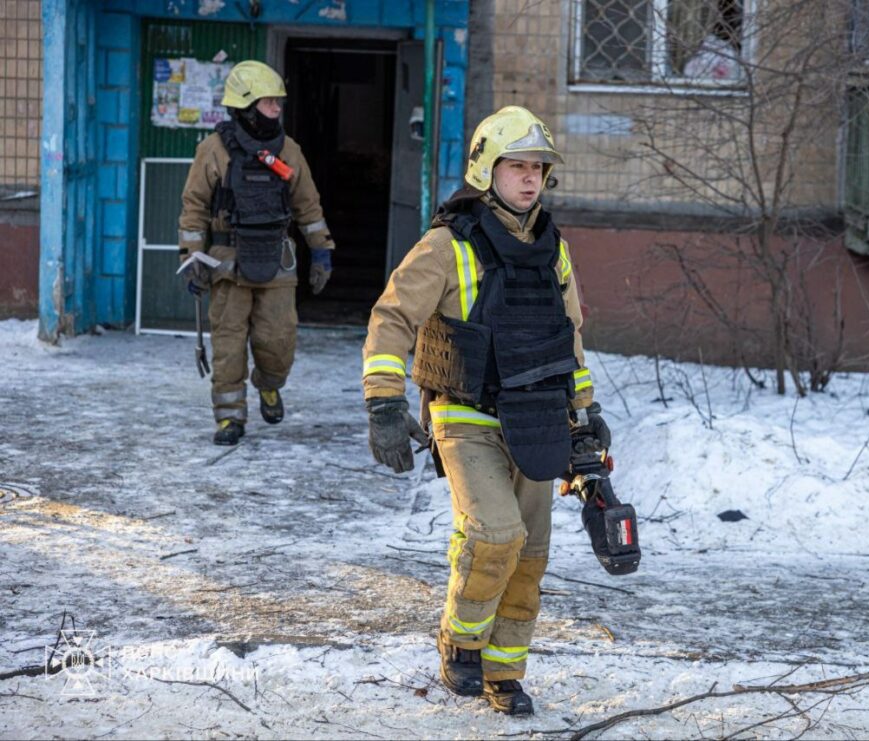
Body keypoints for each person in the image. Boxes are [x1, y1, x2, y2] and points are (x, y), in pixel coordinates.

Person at [360, 106, 610, 715]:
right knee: (496, 532)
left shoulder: (553, 250)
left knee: (531, 553)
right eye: (517, 165)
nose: (529, 178)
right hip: (466, 413)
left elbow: (569, 338)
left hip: (539, 417)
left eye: (538, 168)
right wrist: (384, 401)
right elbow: (392, 317)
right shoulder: (447, 245)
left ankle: (505, 673)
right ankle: (461, 641)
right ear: (485, 169)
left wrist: (584, 413)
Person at [178, 61, 336, 445]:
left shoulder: (289, 151)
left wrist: (321, 250)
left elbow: (308, 206)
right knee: (228, 346)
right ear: (246, 107)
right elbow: (194, 207)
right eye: (269, 102)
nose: (276, 108)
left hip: (277, 260)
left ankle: (269, 384)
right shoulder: (213, 151)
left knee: (278, 342)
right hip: (227, 263)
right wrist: (191, 258)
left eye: (278, 102)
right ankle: (229, 417)